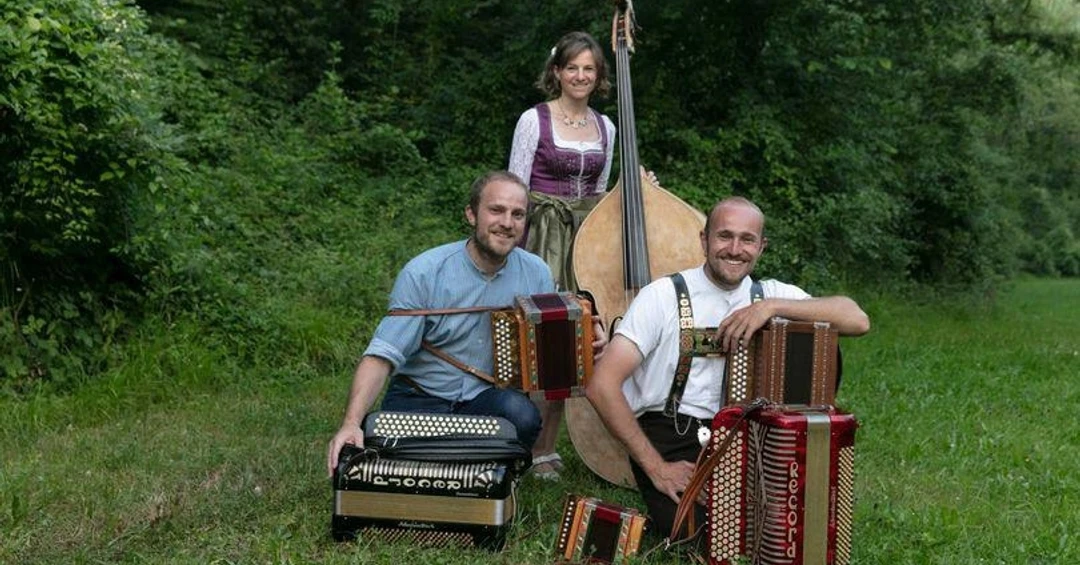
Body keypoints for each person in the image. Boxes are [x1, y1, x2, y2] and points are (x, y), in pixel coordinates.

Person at [584, 196, 871, 539]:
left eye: (747, 239)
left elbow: (857, 319)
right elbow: (601, 385)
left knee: (788, 526)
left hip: (752, 434)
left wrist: (771, 307)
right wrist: (657, 468)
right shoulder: (663, 295)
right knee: (703, 535)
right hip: (673, 432)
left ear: (761, 247)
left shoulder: (773, 294)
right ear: (704, 240)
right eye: (724, 236)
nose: (735, 249)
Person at [325, 170, 607, 477]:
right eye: (496, 210)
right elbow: (381, 356)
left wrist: (585, 340)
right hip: (420, 398)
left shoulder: (536, 273)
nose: (507, 223)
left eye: (518, 214)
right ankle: (472, 463)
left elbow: (556, 336)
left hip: (487, 400)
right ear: (472, 214)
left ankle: (465, 464)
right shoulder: (424, 272)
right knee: (384, 442)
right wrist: (351, 423)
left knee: (522, 417)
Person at [507, 31, 616, 481]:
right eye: (572, 67)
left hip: (583, 240)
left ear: (598, 75)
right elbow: (516, 188)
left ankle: (547, 447)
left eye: (589, 68)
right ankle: (514, 439)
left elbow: (600, 194)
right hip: (540, 235)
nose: (580, 76)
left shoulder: (606, 128)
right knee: (534, 336)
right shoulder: (534, 120)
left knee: (571, 341)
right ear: (556, 72)